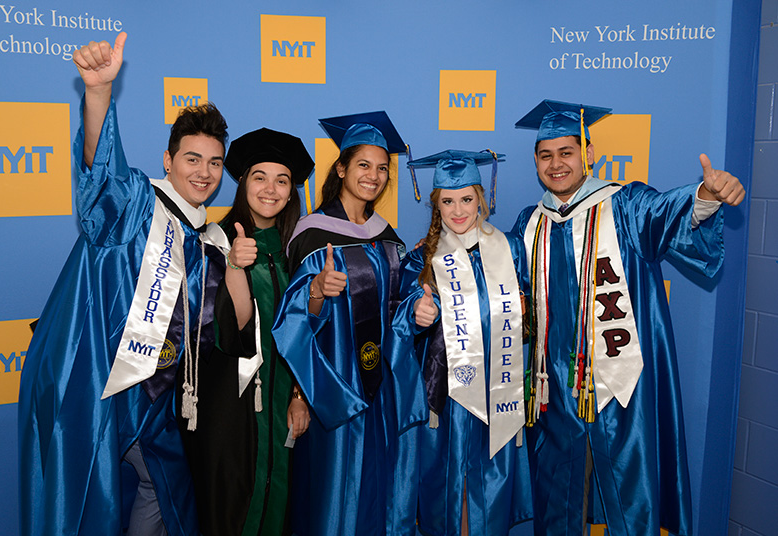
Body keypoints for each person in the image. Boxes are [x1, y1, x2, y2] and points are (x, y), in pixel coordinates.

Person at [18, 32, 235, 536]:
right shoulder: (137, 205)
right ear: (168, 161)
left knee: (166, 486)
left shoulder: (206, 241)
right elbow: (101, 171)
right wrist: (98, 94)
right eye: (192, 159)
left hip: (150, 394)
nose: (204, 173)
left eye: (215, 163)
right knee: (81, 499)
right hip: (89, 380)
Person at [509, 100, 746, 535]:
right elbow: (498, 280)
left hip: (620, 383)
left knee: (632, 502)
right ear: (536, 162)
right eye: (546, 155)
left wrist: (707, 195)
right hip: (555, 392)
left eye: (567, 152)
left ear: (589, 153)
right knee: (557, 503)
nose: (556, 164)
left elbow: (668, 213)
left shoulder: (624, 205)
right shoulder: (530, 224)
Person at [271, 112, 426, 536]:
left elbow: (398, 310)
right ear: (341, 168)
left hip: (382, 390)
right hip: (333, 392)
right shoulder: (310, 233)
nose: (373, 176)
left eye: (381, 169)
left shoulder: (388, 236)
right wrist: (317, 290)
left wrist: (416, 301)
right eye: (363, 165)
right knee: (334, 494)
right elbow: (291, 321)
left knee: (379, 488)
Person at [177, 127, 314, 536]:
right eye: (259, 177)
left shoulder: (296, 249)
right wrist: (234, 268)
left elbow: (304, 333)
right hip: (231, 410)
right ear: (243, 183)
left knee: (279, 505)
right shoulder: (214, 243)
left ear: (292, 192)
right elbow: (226, 335)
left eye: (282, 180)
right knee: (233, 511)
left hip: (281, 405)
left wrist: (298, 395)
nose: (270, 189)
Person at [393, 150, 533, 536]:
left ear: (481, 200)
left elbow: (532, 320)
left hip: (498, 391)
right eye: (448, 201)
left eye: (467, 199)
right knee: (451, 496)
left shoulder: (510, 251)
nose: (458, 210)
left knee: (488, 494)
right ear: (436, 204)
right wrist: (416, 316)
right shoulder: (421, 259)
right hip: (448, 400)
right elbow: (401, 325)